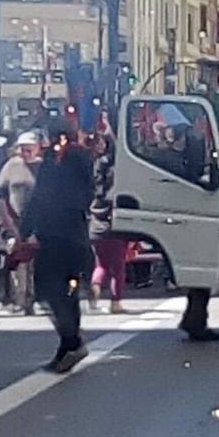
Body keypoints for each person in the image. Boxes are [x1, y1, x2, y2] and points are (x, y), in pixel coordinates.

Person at [20, 119, 94, 373]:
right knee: (63, 292)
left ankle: (72, 341)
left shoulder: (65, 159)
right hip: (68, 235)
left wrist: (26, 229)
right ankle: (67, 345)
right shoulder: (70, 157)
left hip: (59, 235)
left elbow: (42, 195)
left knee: (51, 291)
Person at [0, 132, 41, 314]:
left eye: (29, 147)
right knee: (16, 261)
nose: (25, 151)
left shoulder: (44, 167)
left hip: (38, 222)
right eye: (22, 147)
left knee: (36, 263)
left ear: (38, 147)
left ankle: (33, 299)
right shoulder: (11, 166)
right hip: (13, 220)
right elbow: (0, 194)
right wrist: (7, 220)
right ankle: (18, 299)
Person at [89, 134, 127, 314]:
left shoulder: (93, 168)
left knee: (100, 264)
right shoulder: (116, 169)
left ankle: (95, 288)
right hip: (115, 224)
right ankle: (115, 302)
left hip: (96, 224)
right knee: (118, 266)